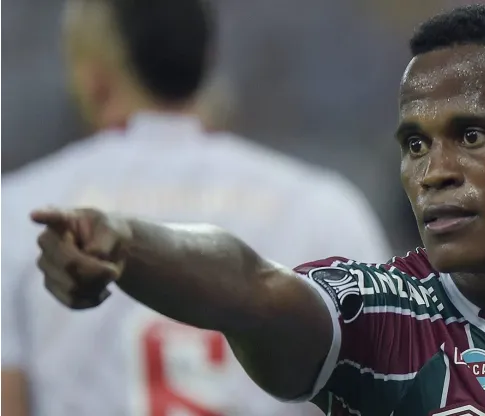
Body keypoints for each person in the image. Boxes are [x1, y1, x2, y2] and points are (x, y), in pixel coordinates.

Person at [29, 3, 485, 416]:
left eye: (470, 135)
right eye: (414, 144)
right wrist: (125, 245)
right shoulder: (386, 326)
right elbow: (252, 290)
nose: (433, 172)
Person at [2, 0, 390, 415]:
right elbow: (391, 388)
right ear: (209, 62)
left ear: (92, 77)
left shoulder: (20, 210)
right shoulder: (322, 206)